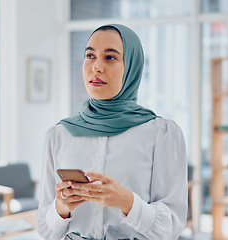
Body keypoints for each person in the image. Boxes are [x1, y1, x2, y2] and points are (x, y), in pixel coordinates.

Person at [36, 23, 187, 240]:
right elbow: (45, 229)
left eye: (110, 57)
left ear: (132, 67)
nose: (96, 66)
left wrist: (127, 202)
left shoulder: (161, 133)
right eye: (90, 55)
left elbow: (172, 225)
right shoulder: (59, 135)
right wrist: (61, 208)